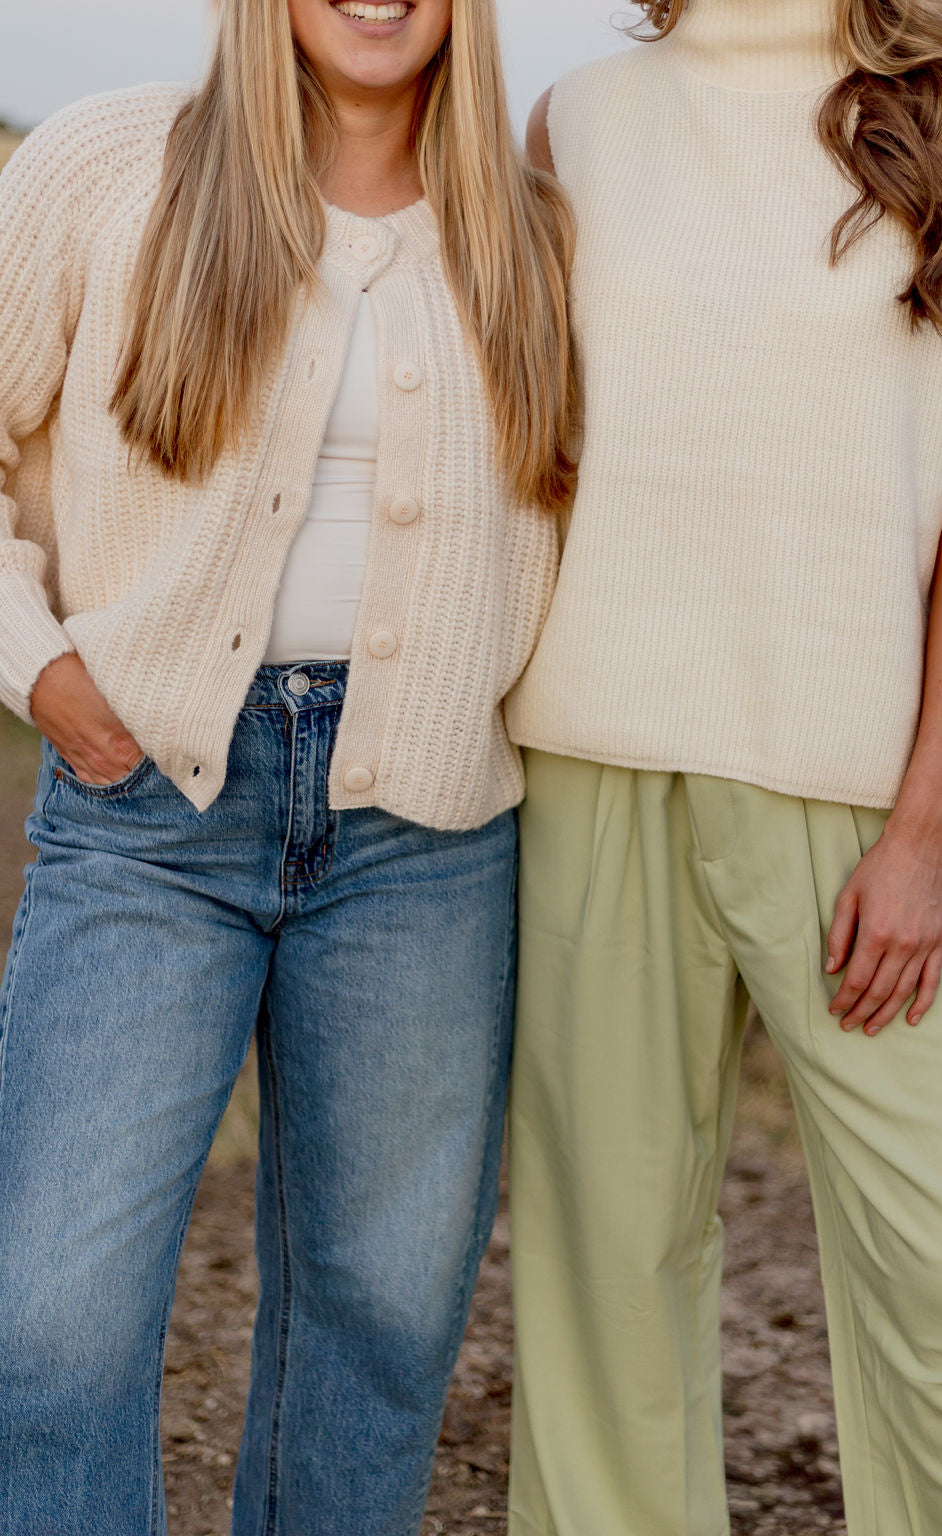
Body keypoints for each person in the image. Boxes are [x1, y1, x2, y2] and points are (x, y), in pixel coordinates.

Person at [0, 0, 575, 1531]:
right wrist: (43, 669)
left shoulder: (534, 232)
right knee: (48, 1318)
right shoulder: (112, 167)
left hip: (425, 837)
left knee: (378, 1324)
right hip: (145, 810)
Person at [504, 0, 942, 1532]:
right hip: (591, 763)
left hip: (867, 798)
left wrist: (927, 828)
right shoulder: (577, 118)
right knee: (605, 1292)